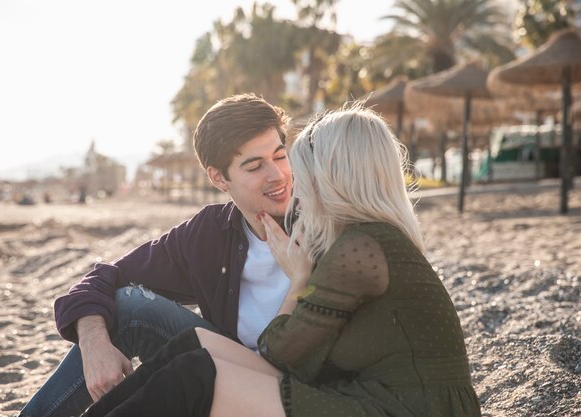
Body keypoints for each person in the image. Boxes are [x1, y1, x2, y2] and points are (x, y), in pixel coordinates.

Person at [82, 103, 482, 417]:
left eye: (290, 161)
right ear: (219, 177)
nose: (289, 179)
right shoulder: (366, 236)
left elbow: (279, 350)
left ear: (332, 173)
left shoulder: (357, 248)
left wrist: (299, 278)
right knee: (191, 346)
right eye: (256, 166)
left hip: (401, 409)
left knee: (193, 376)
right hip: (375, 397)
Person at [18, 93, 297, 417]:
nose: (277, 175)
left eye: (280, 156)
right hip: (230, 372)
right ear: (218, 178)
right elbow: (106, 279)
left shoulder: (325, 220)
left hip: (303, 391)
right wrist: (94, 343)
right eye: (254, 166)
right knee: (129, 306)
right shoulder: (209, 233)